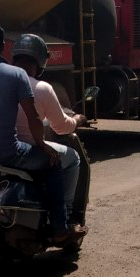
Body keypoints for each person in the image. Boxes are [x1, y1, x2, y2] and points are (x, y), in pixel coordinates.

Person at [0, 22, 79, 243]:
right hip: (6, 152)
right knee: (54, 162)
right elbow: (33, 118)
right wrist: (42, 145)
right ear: (4, 46)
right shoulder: (16, 75)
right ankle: (60, 227)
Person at [9, 34, 86, 236]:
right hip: (25, 148)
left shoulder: (2, 83)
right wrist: (77, 120)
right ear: (41, 62)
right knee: (73, 158)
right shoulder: (42, 88)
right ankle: (64, 219)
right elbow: (61, 127)